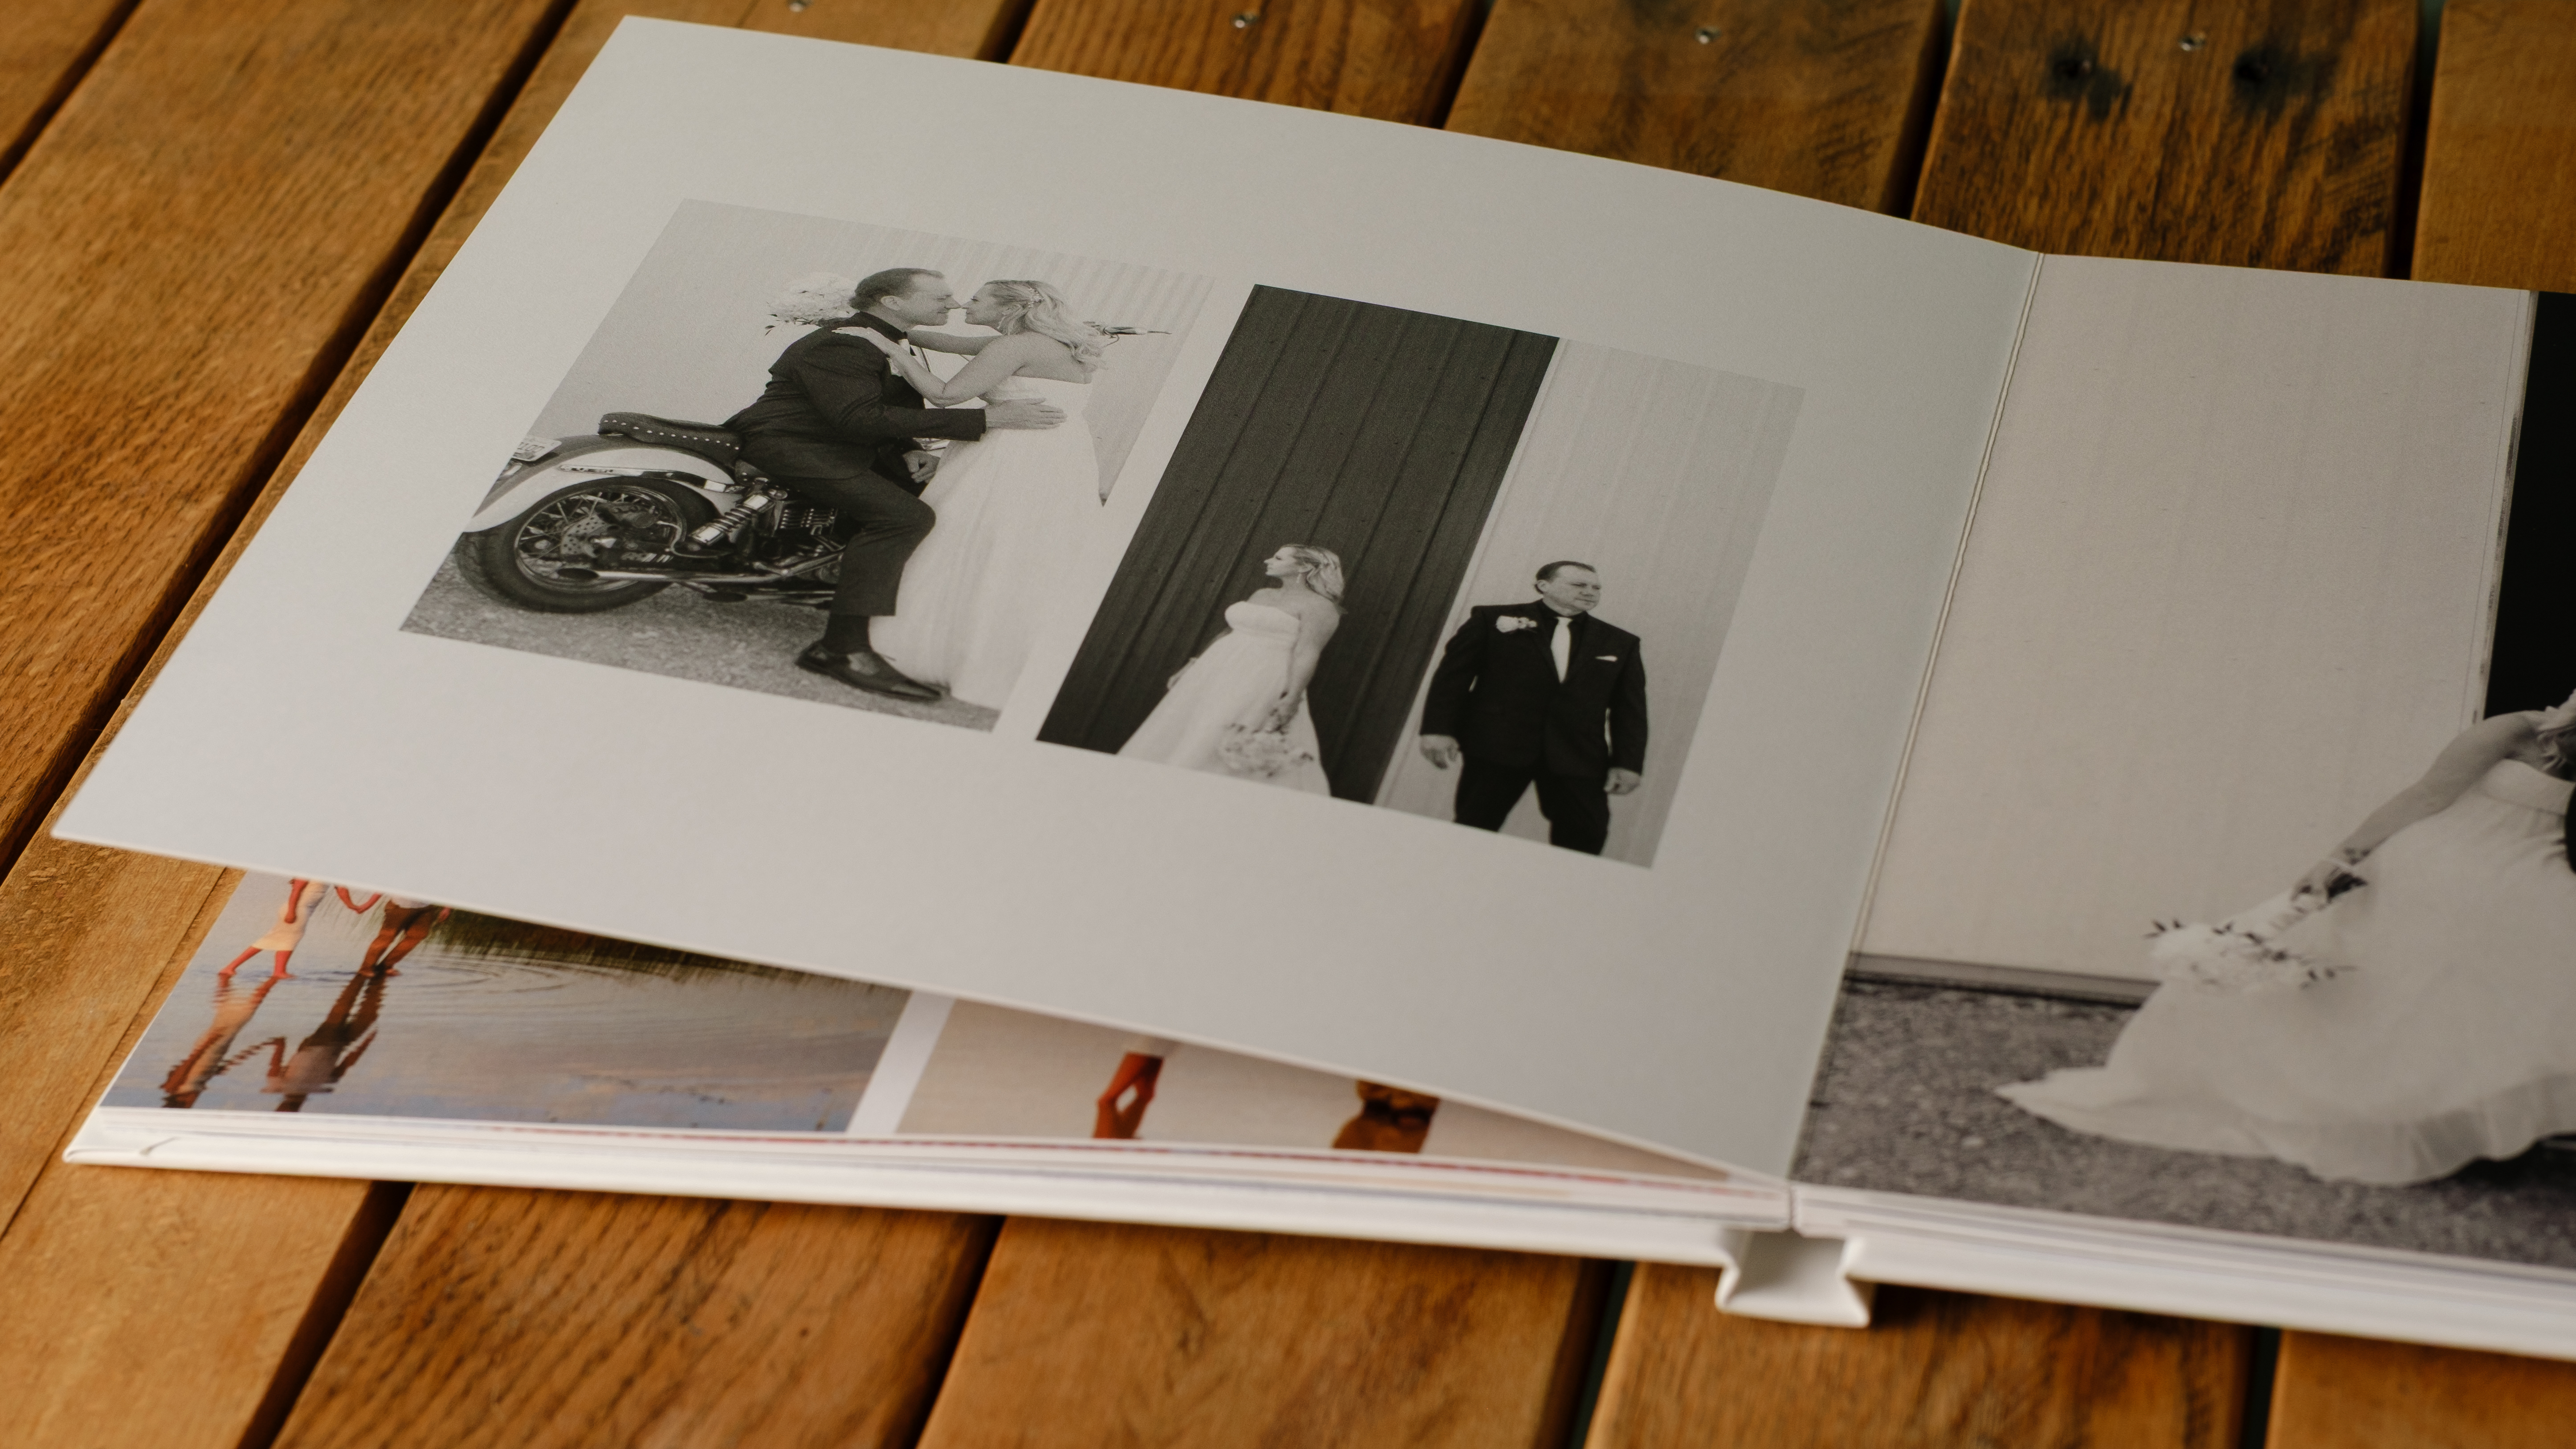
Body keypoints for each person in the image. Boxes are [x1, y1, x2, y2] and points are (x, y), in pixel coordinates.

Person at [2000, 690, 2576, 1185]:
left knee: (2507, 996)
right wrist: (2337, 859)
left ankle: (2479, 1128)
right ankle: (2360, 1112)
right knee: (2390, 994)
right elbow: (2423, 796)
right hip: (2441, 868)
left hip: (2526, 882)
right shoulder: (2513, 730)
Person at [723, 267, 1066, 702]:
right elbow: (856, 418)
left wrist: (906, 446)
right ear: (893, 302)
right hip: (790, 442)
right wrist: (985, 418)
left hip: (836, 444)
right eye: (939, 297)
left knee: (935, 501)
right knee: (905, 518)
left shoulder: (889, 338)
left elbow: (879, 404)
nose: (954, 303)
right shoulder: (844, 342)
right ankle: (840, 650)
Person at [852, 280, 1106, 709]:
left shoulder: (1012, 348)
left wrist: (890, 349)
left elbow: (946, 395)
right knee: (1022, 551)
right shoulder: (1049, 344)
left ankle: (927, 646)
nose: (963, 304)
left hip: (1011, 455)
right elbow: (945, 340)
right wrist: (882, 326)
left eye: (976, 300)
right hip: (1060, 458)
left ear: (1009, 308)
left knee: (966, 537)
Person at [1417, 561, 1647, 856]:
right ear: (1543, 586)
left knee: (1586, 837)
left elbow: (1630, 709)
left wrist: (1628, 762)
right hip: (1497, 747)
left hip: (1577, 755)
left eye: (1596, 587)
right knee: (1474, 829)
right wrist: (1437, 728)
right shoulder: (1490, 619)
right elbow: (1452, 679)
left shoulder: (1621, 642)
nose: (1590, 592)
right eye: (1579, 585)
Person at [1115, 545, 1342, 794]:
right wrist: (1194, 664)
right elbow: (1230, 630)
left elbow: (1307, 652)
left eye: (1278, 558)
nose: (1268, 560)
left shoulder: (1321, 608)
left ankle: (1188, 789)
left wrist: (1293, 697)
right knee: (1188, 721)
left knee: (1219, 726)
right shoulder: (1262, 594)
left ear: (1303, 567)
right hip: (1217, 669)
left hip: (1261, 676)